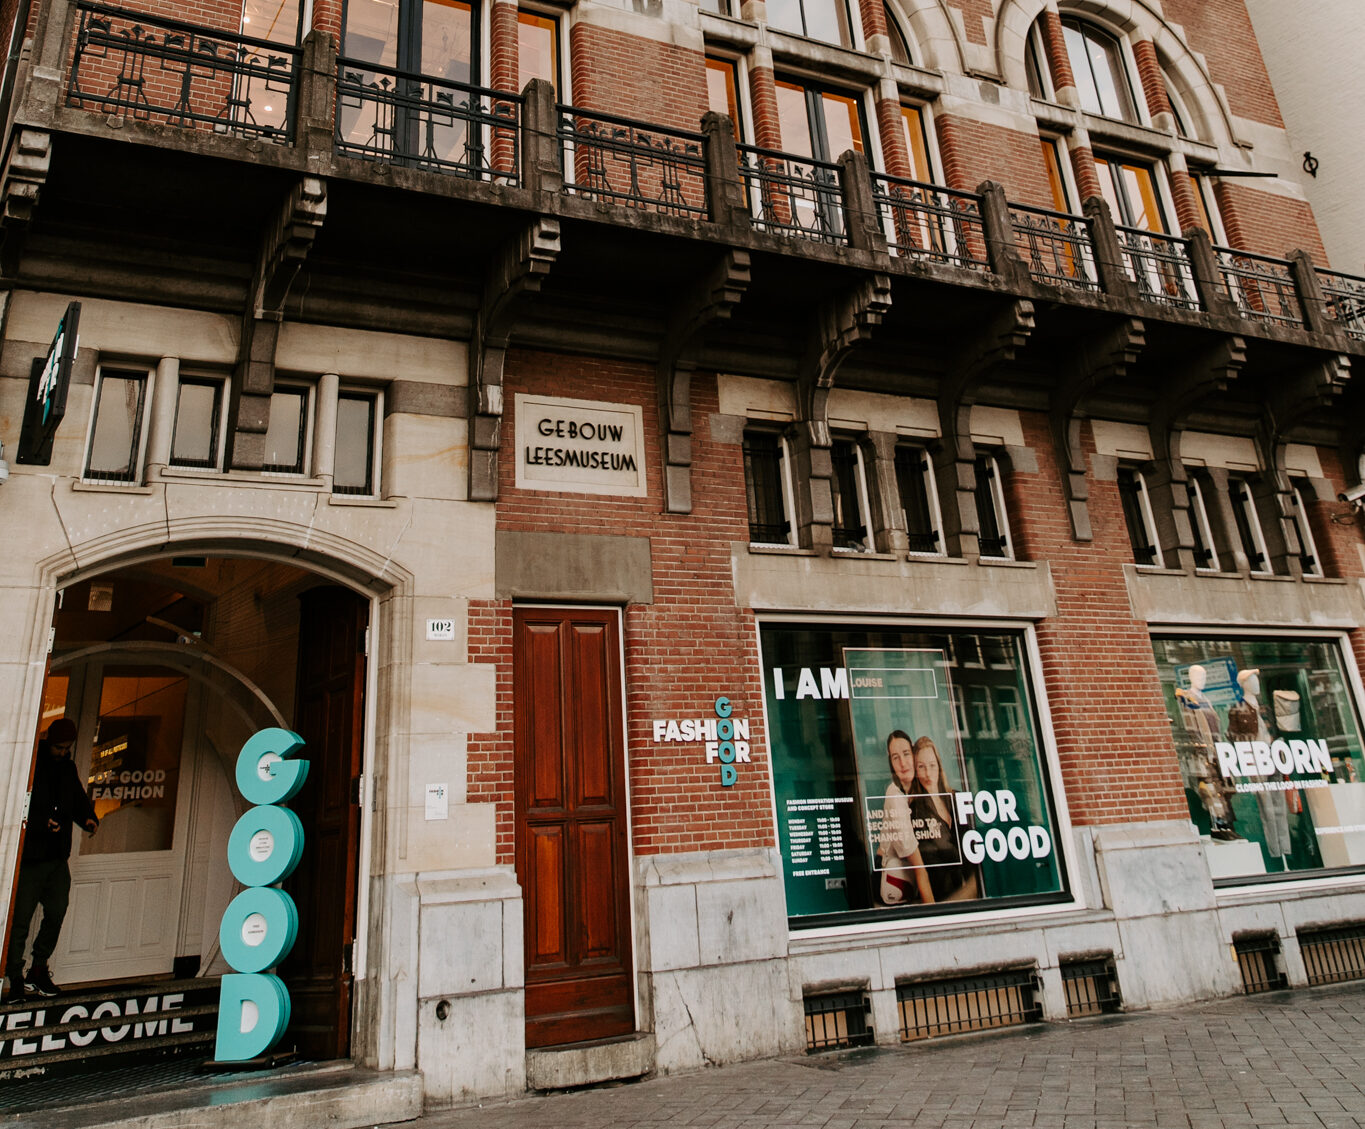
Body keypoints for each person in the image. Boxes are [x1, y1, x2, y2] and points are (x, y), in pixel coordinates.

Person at [4, 718, 99, 999]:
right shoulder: (34, 763)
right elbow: (18, 802)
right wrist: (40, 821)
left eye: (67, 748)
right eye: (59, 747)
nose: (63, 752)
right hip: (32, 857)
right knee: (20, 919)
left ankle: (38, 968)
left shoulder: (67, 768)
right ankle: (14, 975)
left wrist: (88, 818)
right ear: (50, 742)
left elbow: (77, 798)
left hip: (57, 857)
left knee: (56, 911)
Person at [907, 736, 978, 902]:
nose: (927, 773)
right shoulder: (915, 811)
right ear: (915, 771)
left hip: (975, 886)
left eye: (932, 765)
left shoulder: (958, 799)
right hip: (946, 896)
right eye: (921, 767)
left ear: (939, 766)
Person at [877, 730, 934, 906]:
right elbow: (920, 870)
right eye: (896, 758)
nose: (903, 763)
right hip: (892, 881)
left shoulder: (917, 789)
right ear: (891, 762)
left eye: (906, 754)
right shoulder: (895, 795)